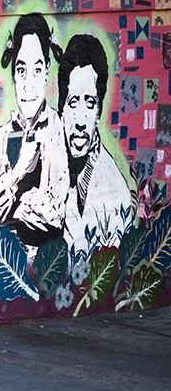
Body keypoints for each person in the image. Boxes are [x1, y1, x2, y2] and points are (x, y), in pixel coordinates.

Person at [0, 13, 67, 246]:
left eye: (37, 70)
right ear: (14, 76)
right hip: (3, 256)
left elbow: (56, 215)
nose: (28, 83)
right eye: (21, 70)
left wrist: (11, 207)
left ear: (47, 72)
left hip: (46, 259)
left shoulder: (56, 128)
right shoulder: (4, 134)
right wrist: (18, 171)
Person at [58, 34, 132, 261]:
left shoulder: (116, 191)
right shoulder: (46, 162)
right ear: (61, 109)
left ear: (98, 112)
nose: (80, 121)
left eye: (90, 104)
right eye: (73, 103)